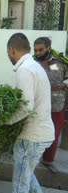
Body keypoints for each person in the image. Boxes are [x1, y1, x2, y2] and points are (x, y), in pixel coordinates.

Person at [0, 33, 55, 193]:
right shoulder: (34, 66)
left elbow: (25, 108)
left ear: (11, 50)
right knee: (27, 174)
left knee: (20, 181)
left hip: (31, 137)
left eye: (8, 53)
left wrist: (4, 121)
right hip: (42, 132)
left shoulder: (24, 70)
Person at [34, 37, 68, 173]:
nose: (37, 53)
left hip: (56, 104)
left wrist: (64, 84)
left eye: (40, 49)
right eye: (35, 50)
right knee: (35, 133)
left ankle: (48, 160)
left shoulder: (60, 62)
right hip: (37, 105)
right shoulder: (32, 62)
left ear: (48, 48)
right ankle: (33, 157)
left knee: (53, 134)